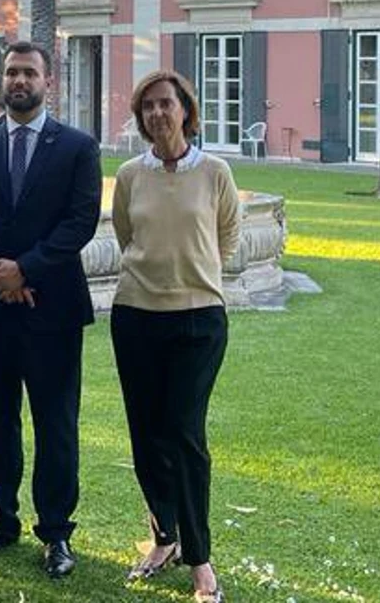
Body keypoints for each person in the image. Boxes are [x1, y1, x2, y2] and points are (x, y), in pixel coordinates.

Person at [0, 40, 101, 579]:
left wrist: (26, 270)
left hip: (51, 309)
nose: (18, 81)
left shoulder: (77, 146)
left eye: (28, 73)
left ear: (47, 81)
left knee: (55, 422)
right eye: (11, 72)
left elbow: (79, 223)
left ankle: (56, 532)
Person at [109, 70, 241, 603]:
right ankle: (164, 535)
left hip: (198, 319)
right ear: (141, 118)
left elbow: (228, 235)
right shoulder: (130, 175)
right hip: (136, 315)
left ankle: (201, 561)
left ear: (185, 110)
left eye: (166, 104)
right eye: (148, 108)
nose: (158, 115)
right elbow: (125, 235)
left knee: (184, 433)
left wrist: (195, 274)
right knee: (145, 436)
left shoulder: (214, 172)